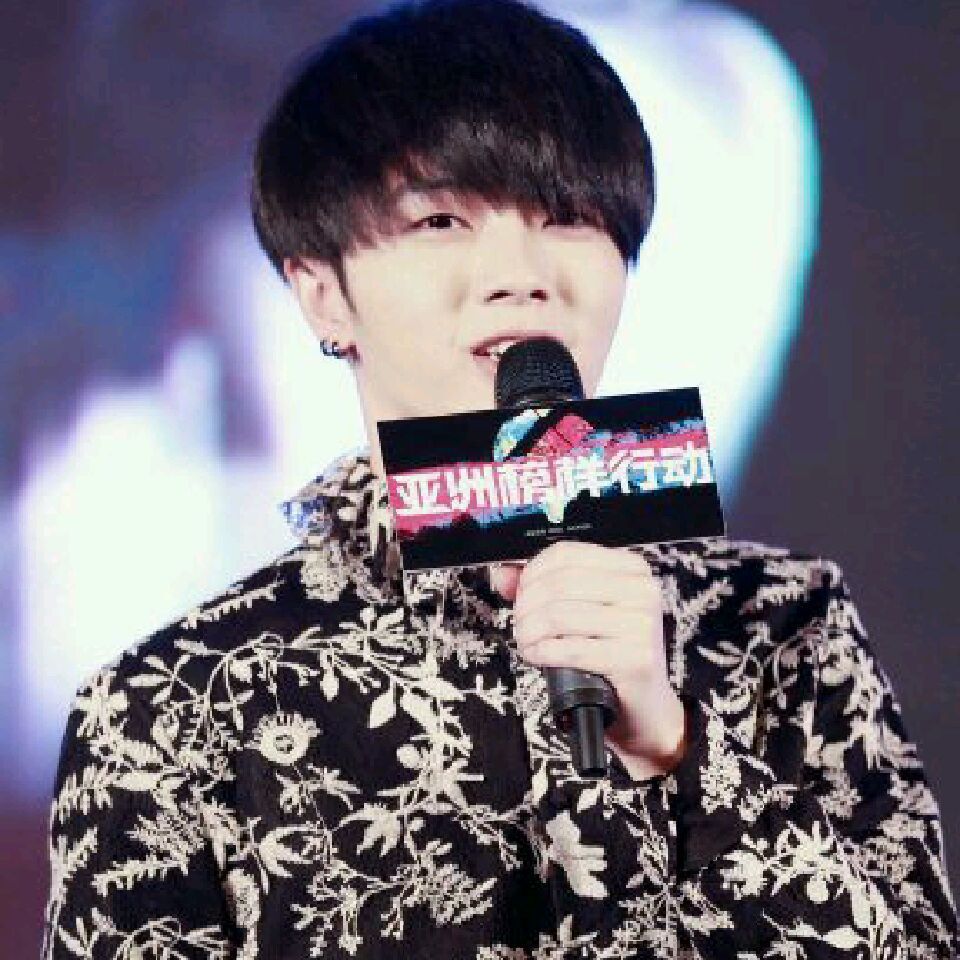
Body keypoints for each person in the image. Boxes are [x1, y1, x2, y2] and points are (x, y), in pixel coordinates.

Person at [42, 1, 958, 957]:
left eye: (567, 218)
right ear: (321, 292)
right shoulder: (170, 706)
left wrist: (679, 748)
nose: (520, 275)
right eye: (441, 220)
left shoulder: (780, 627)